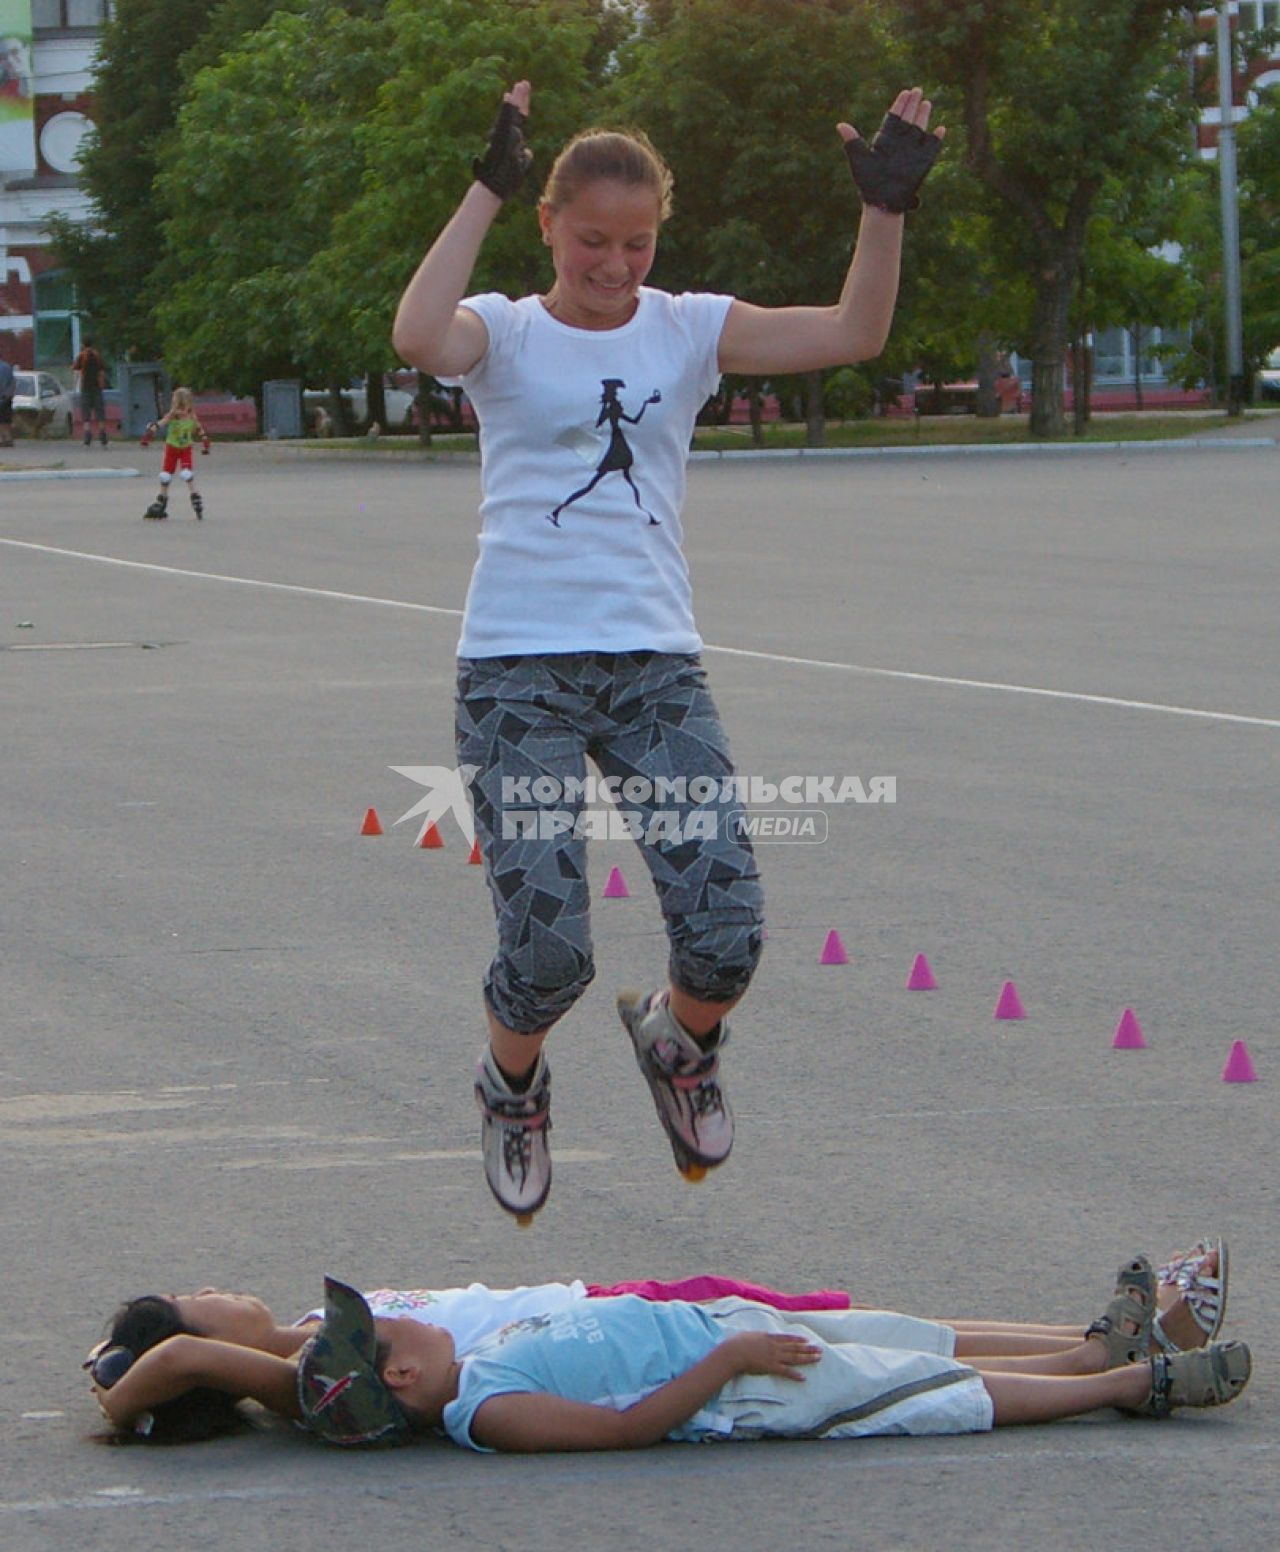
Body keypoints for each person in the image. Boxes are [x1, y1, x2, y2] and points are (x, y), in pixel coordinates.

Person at [391, 80, 945, 1220]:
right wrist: (483, 186)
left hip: (653, 666)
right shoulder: (502, 328)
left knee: (727, 929)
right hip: (517, 674)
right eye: (591, 239)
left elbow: (853, 332)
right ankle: (511, 1080)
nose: (614, 264)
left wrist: (881, 213)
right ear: (549, 224)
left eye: (636, 242)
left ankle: (678, 1044)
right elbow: (414, 333)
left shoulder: (686, 325)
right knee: (546, 952)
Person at [86, 1243, 1230, 1444]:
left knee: (862, 1330)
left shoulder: (336, 1340)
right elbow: (176, 1366)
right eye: (205, 1297)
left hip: (615, 1319)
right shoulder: (309, 1374)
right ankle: (1122, 1364)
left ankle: (1094, 1348)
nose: (222, 1290)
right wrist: (116, 1379)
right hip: (637, 1345)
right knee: (886, 1368)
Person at [139, 386, 209, 520]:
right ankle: (162, 500)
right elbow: (161, 423)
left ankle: (195, 495)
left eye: (184, 408)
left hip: (185, 449)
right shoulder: (172, 416)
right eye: (180, 407)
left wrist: (205, 440)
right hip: (171, 448)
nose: (182, 411)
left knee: (186, 472)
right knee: (166, 473)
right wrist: (150, 432)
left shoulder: (191, 416)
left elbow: (199, 428)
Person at [71, 340, 110, 448]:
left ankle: (87, 436)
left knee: (86, 412)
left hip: (86, 387)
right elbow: (103, 369)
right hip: (97, 387)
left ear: (83, 344)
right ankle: (102, 435)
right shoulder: (97, 355)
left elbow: (76, 370)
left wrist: (75, 386)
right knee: (100, 411)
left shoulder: (82, 356)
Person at [0, 352, 15, 449]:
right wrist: (10, 394)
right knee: (6, 419)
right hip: (7, 397)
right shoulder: (7, 367)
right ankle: (8, 439)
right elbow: (13, 382)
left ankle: (1, 439)